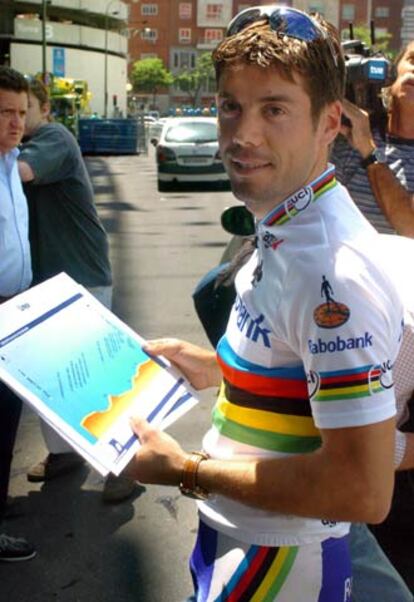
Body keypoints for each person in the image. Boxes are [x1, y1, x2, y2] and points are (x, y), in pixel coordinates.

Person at [125, 6, 406, 600]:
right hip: (243, 541)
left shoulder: (330, 272)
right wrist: (215, 368)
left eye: (274, 109)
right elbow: (297, 366)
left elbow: (361, 491)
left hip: (283, 564)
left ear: (331, 122)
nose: (243, 134)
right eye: (232, 106)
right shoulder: (286, 219)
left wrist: (186, 471)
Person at [17, 78, 136, 504]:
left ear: (43, 108)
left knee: (91, 379)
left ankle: (126, 466)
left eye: (21, 109)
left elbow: (22, 172)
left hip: (80, 276)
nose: (14, 120)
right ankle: (65, 453)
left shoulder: (53, 138)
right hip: (44, 281)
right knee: (49, 379)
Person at [0, 66, 36, 562]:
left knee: (6, 423)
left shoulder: (12, 163)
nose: (16, 123)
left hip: (16, 312)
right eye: (5, 113)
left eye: (21, 113)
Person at [331, 41, 414, 235]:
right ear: (392, 72)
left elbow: (410, 229)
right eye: (412, 60)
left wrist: (369, 152)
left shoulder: (363, 139)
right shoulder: (354, 130)